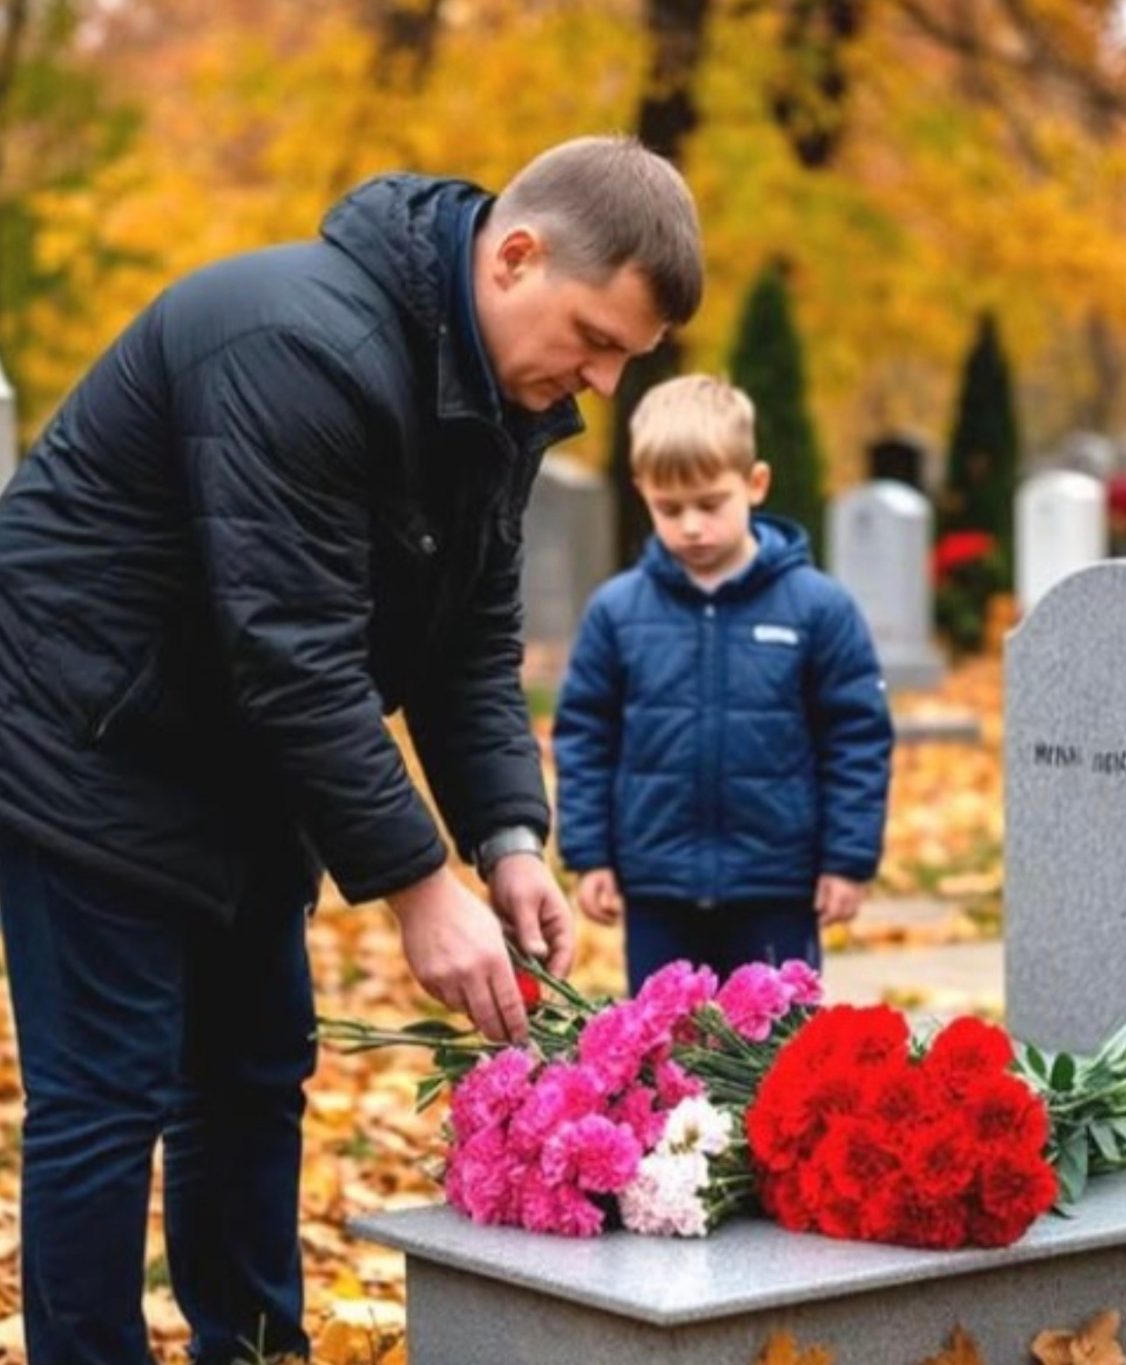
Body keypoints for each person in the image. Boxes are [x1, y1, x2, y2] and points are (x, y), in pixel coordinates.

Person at [0, 136, 702, 1364]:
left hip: (239, 756)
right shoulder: (296, 343)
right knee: (108, 1095)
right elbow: (291, 648)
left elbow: (467, 640)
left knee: (253, 1072)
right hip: (85, 737)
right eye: (595, 339)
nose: (600, 380)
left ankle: (253, 1349)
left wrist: (506, 838)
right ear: (515, 257)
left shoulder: (494, 398)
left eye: (623, 359)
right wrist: (419, 887)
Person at [553, 374, 892, 993]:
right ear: (642, 492)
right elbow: (584, 737)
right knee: (665, 1043)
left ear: (755, 484)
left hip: (777, 883)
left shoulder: (819, 608)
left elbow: (857, 739)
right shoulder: (617, 611)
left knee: (775, 1042)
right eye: (669, 508)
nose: (691, 526)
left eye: (710, 504)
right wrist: (590, 854)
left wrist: (847, 859)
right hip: (657, 884)